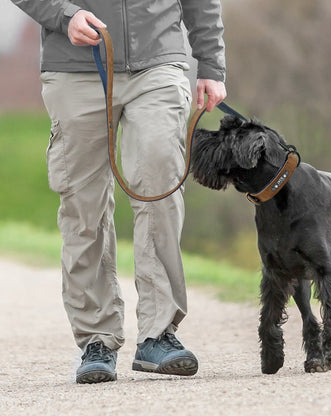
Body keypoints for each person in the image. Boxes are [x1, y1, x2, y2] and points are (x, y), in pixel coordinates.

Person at [10, 0, 226, 384]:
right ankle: (97, 338)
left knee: (159, 182)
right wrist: (65, 16)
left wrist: (210, 65)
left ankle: (159, 333)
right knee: (83, 206)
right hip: (76, 67)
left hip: (158, 63)